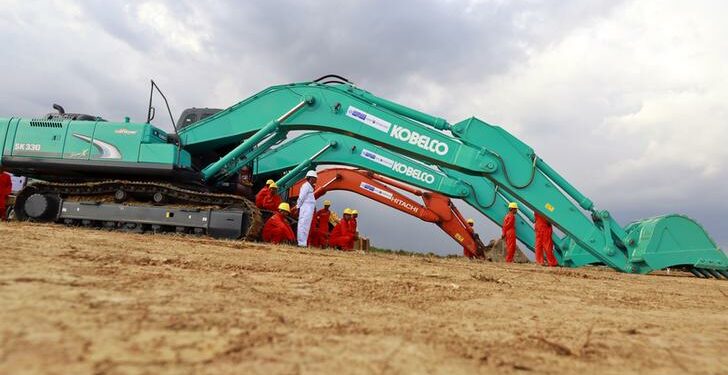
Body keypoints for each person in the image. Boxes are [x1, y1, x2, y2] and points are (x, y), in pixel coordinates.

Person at [295, 170, 317, 247]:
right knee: (303, 225)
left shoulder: (310, 187)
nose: (316, 179)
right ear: (310, 178)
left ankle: (303, 243)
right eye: (315, 178)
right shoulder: (305, 186)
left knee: (306, 226)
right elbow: (301, 198)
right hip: (305, 209)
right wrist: (298, 207)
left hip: (308, 210)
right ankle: (301, 243)